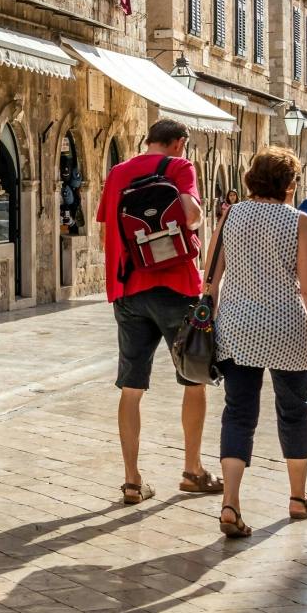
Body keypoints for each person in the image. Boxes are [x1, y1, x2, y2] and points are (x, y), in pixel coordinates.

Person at [205, 147, 307, 539]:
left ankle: (230, 502)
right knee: (294, 412)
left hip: (237, 328)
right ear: (289, 184)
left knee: (238, 413)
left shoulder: (231, 216)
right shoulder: (299, 222)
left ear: (251, 178)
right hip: (287, 328)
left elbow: (210, 278)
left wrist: (207, 326)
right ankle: (298, 499)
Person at [96, 118, 222, 505]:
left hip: (129, 289)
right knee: (194, 377)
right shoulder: (180, 167)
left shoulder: (117, 172)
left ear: (147, 141)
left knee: (131, 387)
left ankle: (132, 480)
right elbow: (192, 216)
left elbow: (107, 231)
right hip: (176, 287)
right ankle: (192, 470)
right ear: (179, 143)